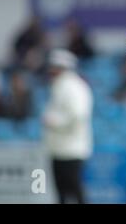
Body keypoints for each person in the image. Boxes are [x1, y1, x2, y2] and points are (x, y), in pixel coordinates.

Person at [42, 49, 93, 204]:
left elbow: (78, 114)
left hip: (70, 148)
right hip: (61, 147)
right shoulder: (63, 85)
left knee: (72, 189)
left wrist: (54, 122)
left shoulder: (72, 86)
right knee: (64, 191)